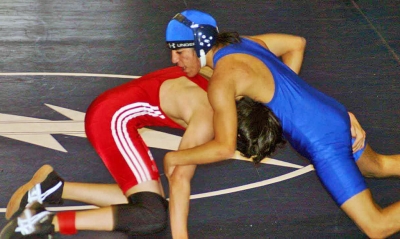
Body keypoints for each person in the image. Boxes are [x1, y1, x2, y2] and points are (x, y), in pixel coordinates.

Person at [0, 32, 306, 239]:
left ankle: (51, 188)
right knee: (151, 216)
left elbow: (296, 43)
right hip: (112, 118)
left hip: (123, 105)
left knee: (148, 201)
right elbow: (180, 179)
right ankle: (39, 222)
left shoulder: (231, 61)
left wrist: (290, 98)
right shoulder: (207, 117)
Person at [164, 9, 400, 238]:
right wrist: (289, 102)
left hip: (322, 141)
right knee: (377, 167)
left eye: (180, 52)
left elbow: (224, 147)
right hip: (332, 112)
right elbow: (296, 44)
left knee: (376, 226)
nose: (174, 59)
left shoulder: (223, 81)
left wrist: (173, 157)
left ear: (201, 44)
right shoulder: (244, 43)